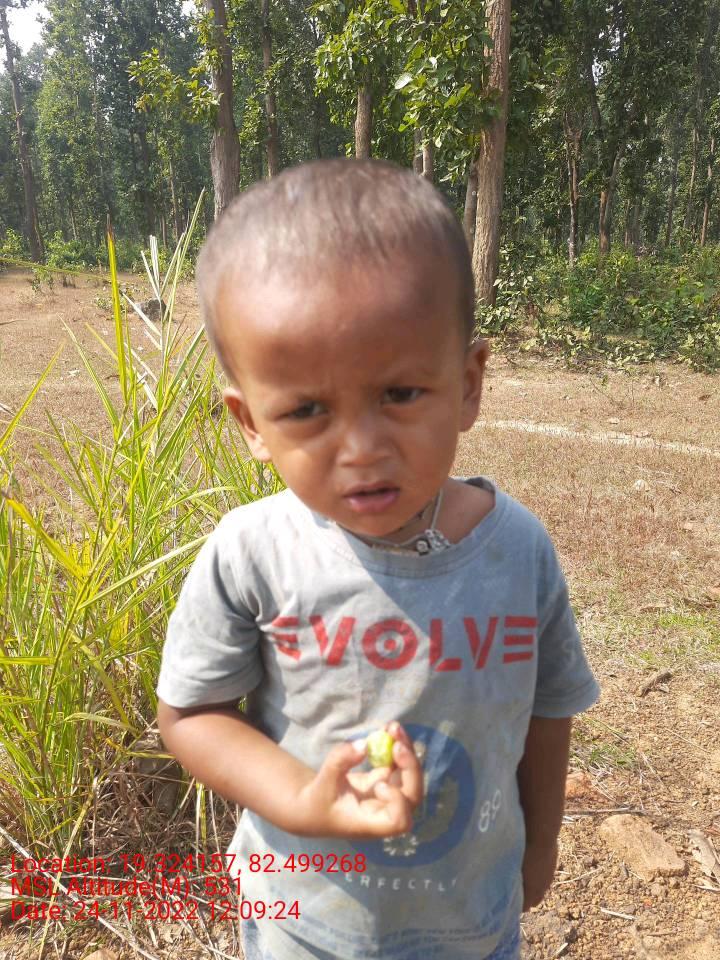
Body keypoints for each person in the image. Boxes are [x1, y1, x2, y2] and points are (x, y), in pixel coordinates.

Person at [156, 157, 600, 960]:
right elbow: (192, 714)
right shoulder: (253, 555)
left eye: (399, 394)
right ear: (250, 424)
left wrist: (542, 844)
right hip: (305, 925)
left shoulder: (517, 552)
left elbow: (549, 708)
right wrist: (303, 797)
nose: (361, 448)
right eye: (307, 410)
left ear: (468, 383)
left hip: (476, 922)